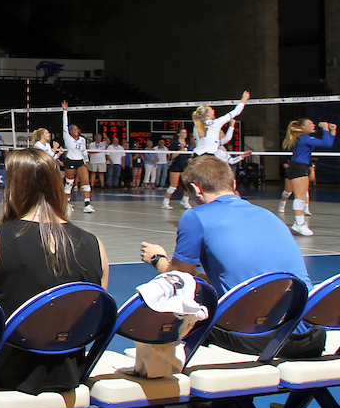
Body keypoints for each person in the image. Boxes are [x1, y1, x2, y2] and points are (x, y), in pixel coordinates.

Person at [140, 154, 325, 358]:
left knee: (178, 315)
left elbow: (178, 279)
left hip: (265, 336)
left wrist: (158, 259)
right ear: (233, 183)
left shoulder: (195, 217)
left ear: (197, 189)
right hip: (312, 334)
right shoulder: (267, 215)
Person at [0, 147, 107, 394]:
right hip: (67, 366)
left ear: (15, 187)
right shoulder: (95, 244)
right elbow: (94, 315)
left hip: (8, 366)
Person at [280, 118, 336, 236]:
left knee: (302, 195)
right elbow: (326, 143)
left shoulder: (304, 137)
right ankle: (299, 224)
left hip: (301, 167)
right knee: (300, 197)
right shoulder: (303, 137)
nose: (313, 125)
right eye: (310, 124)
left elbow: (328, 144)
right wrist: (325, 129)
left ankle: (299, 222)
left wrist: (332, 132)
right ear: (303, 127)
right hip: (298, 167)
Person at [191, 91, 250, 159]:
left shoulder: (196, 126)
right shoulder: (216, 123)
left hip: (196, 155)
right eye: (211, 109)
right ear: (208, 114)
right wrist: (244, 99)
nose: (213, 111)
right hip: (207, 157)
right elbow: (236, 112)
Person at [60, 102, 94, 213]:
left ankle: (87, 204)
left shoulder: (82, 139)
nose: (76, 130)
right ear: (70, 131)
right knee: (69, 182)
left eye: (77, 129)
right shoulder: (67, 138)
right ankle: (67, 204)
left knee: (86, 181)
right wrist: (65, 111)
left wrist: (87, 160)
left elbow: (84, 151)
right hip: (70, 161)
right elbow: (64, 124)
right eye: (73, 129)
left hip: (80, 161)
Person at [162, 128, 193, 209]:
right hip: (176, 165)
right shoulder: (175, 143)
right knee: (173, 186)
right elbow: (172, 156)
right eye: (183, 132)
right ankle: (166, 202)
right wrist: (181, 150)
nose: (185, 134)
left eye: (185, 132)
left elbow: (189, 157)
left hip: (185, 166)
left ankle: (185, 201)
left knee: (187, 185)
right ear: (179, 134)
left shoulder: (188, 144)